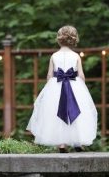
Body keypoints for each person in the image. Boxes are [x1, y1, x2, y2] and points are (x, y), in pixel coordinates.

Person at [26, 25, 97, 153]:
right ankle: (77, 143)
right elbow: (81, 75)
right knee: (76, 113)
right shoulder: (76, 56)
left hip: (56, 86)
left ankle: (62, 145)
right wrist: (83, 88)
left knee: (56, 114)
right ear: (73, 39)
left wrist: (49, 89)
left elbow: (49, 75)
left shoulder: (54, 56)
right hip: (74, 86)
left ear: (59, 39)